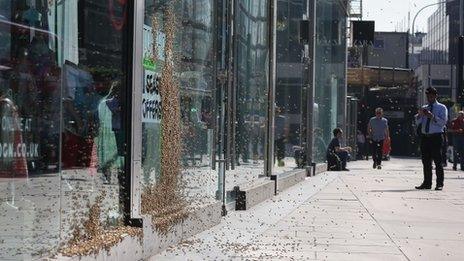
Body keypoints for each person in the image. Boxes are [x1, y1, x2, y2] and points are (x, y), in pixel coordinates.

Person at [415, 87, 448, 191]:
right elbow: (417, 122)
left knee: (438, 161)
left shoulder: (442, 107)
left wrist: (432, 116)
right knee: (426, 161)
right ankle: (427, 183)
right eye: (428, 95)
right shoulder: (425, 107)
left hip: (436, 137)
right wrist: (419, 115)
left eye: (431, 95)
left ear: (435, 96)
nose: (429, 97)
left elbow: (443, 122)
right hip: (425, 137)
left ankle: (439, 184)